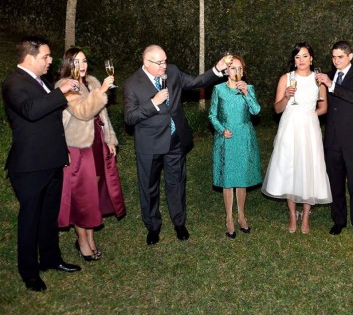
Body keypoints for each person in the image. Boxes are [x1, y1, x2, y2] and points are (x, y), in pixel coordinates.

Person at [124, 45, 227, 245]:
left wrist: (217, 68)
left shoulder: (172, 71)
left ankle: (179, 223)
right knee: (149, 187)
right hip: (149, 144)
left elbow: (197, 81)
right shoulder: (132, 83)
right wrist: (153, 102)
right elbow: (129, 117)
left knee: (177, 183)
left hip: (174, 140)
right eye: (160, 62)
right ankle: (153, 226)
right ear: (146, 62)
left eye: (165, 60)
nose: (165, 65)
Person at [2, 36, 81, 292]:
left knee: (49, 216)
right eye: (46, 57)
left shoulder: (41, 81)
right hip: (30, 166)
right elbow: (31, 111)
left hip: (52, 161)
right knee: (30, 219)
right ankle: (29, 271)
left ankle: (51, 259)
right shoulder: (13, 83)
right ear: (29, 58)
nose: (50, 61)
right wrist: (61, 92)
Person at [56, 48, 126, 261]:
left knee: (92, 194)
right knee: (81, 198)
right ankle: (83, 242)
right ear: (68, 64)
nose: (82, 66)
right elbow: (83, 112)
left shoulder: (92, 82)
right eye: (77, 62)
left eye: (84, 61)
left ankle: (89, 238)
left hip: (96, 144)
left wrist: (110, 139)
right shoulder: (65, 86)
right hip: (78, 149)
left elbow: (103, 116)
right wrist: (102, 91)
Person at [262, 43, 330, 234]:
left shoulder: (319, 80)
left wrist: (309, 116)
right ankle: (293, 215)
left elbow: (323, 107)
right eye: (298, 57)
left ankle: (306, 215)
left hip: (309, 126)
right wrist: (285, 97)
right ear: (294, 60)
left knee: (310, 166)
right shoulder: (286, 78)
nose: (301, 60)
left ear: (312, 59)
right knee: (289, 166)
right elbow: (277, 108)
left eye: (305, 56)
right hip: (289, 125)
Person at [316, 40, 353, 238]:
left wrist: (332, 85)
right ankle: (338, 220)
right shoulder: (327, 76)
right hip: (332, 138)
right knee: (335, 182)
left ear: (350, 56)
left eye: (340, 57)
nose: (336, 60)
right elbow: (321, 102)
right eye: (333, 57)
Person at [208, 55, 262, 238]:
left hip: (244, 137)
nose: (237, 72)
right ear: (226, 71)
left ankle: (241, 216)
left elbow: (256, 111)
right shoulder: (218, 89)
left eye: (240, 69)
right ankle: (229, 218)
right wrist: (221, 129)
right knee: (228, 179)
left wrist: (247, 93)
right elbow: (212, 115)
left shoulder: (249, 88)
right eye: (233, 68)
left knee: (242, 178)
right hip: (227, 139)